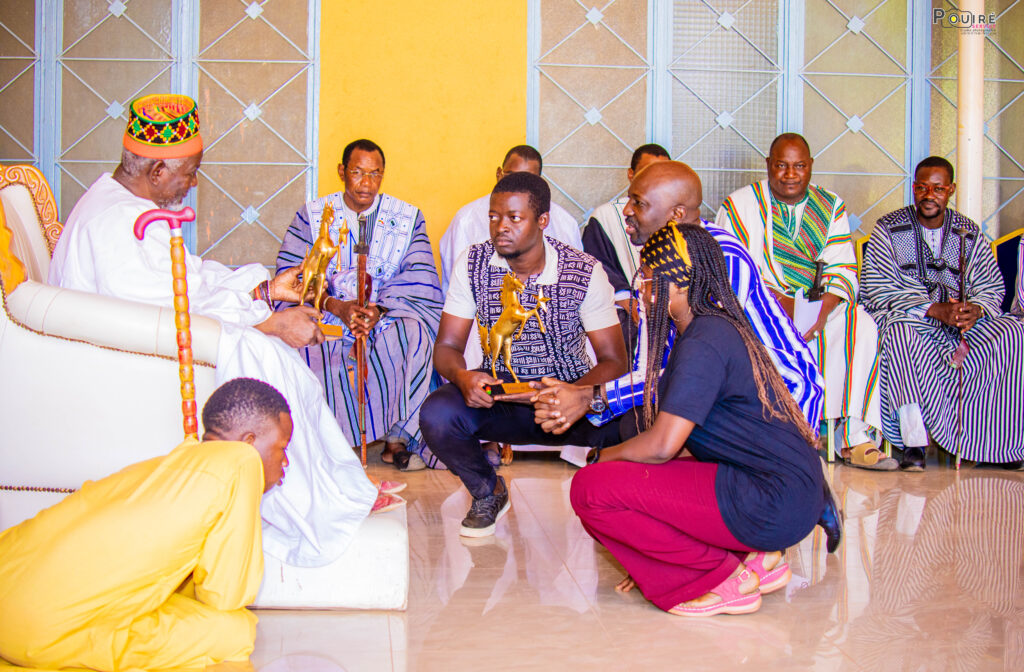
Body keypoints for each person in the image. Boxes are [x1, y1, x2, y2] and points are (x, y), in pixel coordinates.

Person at [48, 94, 383, 569]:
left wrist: (265, 290)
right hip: (128, 372)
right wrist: (268, 322)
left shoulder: (126, 205)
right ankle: (300, 507)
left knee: (269, 350)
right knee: (264, 357)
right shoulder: (116, 224)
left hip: (147, 350)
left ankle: (327, 488)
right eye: (189, 173)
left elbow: (188, 283)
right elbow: (164, 318)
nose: (193, 183)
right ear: (157, 171)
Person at [530, 160, 840, 553]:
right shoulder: (662, 266)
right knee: (638, 426)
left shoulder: (717, 259)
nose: (627, 212)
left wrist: (593, 398)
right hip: (721, 396)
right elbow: (654, 368)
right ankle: (688, 541)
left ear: (676, 214)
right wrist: (587, 398)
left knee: (651, 441)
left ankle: (765, 529)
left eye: (639, 203)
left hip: (780, 394)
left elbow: (701, 370)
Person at [569, 223, 824, 617]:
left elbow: (663, 446)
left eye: (648, 280)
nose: (642, 292)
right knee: (638, 481)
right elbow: (687, 447)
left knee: (591, 488)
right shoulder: (712, 328)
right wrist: (654, 551)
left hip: (773, 502)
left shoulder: (704, 341)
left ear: (678, 284)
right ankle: (754, 560)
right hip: (784, 491)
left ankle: (722, 578)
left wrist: (604, 457)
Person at [0, 378, 290, 671]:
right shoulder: (241, 461)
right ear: (249, 442)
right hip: (37, 630)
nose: (286, 462)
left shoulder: (166, 467)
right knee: (236, 631)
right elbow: (225, 596)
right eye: (282, 447)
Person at [421, 172, 628, 537]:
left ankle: (614, 506)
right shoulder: (473, 264)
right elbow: (447, 347)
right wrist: (464, 377)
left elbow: (614, 360)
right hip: (502, 396)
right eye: (494, 216)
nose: (500, 227)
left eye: (514, 218)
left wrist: (574, 395)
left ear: (542, 220)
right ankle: (488, 491)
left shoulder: (583, 271)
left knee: (633, 421)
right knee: (438, 414)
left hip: (570, 399)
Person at [716, 133, 891, 470]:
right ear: (768, 165)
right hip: (759, 307)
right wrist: (779, 305)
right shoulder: (739, 205)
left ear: (810, 166)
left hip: (815, 307)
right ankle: (787, 433)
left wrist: (819, 314)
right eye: (781, 165)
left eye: (799, 166)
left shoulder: (830, 205)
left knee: (860, 324)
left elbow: (842, 268)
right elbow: (730, 270)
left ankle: (853, 436)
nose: (790, 174)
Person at [276, 139, 444, 471]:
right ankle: (323, 440)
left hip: (385, 314)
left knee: (415, 333)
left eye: (374, 174)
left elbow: (420, 277)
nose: (366, 183)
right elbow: (291, 277)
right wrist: (336, 306)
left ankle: (397, 441)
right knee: (305, 336)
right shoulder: (312, 216)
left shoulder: (407, 218)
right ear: (342, 171)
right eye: (357, 172)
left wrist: (378, 310)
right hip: (328, 310)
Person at [860, 156, 1024, 470]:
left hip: (960, 330)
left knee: (1012, 333)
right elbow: (878, 288)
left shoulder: (968, 232)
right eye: (922, 188)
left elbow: (990, 285)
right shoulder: (888, 228)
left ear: (951, 190)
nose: (929, 195)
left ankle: (998, 443)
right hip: (913, 322)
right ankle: (914, 442)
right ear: (914, 188)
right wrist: (934, 309)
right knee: (899, 333)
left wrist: (975, 310)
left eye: (937, 188)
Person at [440, 144, 583, 293]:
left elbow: (574, 282)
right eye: (512, 176)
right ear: (499, 175)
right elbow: (457, 287)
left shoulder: (565, 223)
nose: (518, 186)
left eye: (528, 180)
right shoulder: (466, 220)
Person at [582, 143, 670, 349]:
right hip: (627, 311)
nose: (654, 178)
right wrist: (628, 301)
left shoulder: (670, 211)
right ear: (631, 174)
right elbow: (598, 263)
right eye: (647, 171)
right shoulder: (607, 215)